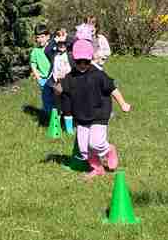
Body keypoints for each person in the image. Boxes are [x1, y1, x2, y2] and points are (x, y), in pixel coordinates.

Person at [53, 38, 131, 177]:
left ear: (91, 59)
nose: (82, 65)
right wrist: (57, 87)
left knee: (96, 143)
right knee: (84, 149)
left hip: (99, 113)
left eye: (86, 61)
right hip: (81, 116)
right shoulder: (70, 77)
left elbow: (112, 88)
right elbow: (60, 90)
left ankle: (109, 150)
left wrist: (123, 103)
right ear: (74, 60)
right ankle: (98, 168)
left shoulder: (98, 75)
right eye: (79, 62)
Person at [30, 27, 53, 120]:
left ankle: (58, 115)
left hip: (54, 77)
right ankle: (48, 118)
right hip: (43, 79)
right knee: (46, 98)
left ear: (48, 37)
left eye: (42, 37)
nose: (40, 39)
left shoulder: (52, 48)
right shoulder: (35, 51)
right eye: (38, 37)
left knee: (56, 98)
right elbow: (33, 64)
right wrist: (38, 77)